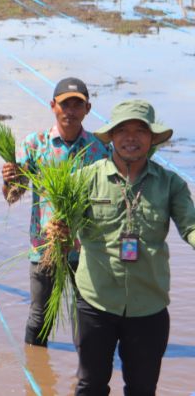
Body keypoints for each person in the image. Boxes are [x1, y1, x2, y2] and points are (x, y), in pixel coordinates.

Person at [71, 100, 195, 395]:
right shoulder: (85, 180)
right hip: (96, 302)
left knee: (142, 389)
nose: (131, 137)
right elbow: (63, 223)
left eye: (140, 130)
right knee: (90, 386)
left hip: (148, 305)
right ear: (111, 136)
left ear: (152, 138)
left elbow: (190, 226)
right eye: (122, 130)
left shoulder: (170, 184)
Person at [0, 77, 109, 346]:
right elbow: (13, 197)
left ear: (88, 109)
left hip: (85, 250)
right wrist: (9, 180)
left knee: (85, 317)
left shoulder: (99, 149)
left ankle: (85, 376)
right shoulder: (35, 145)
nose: (70, 111)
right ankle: (36, 374)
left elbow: (108, 199)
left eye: (77, 105)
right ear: (53, 106)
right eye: (64, 105)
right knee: (39, 317)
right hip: (44, 248)